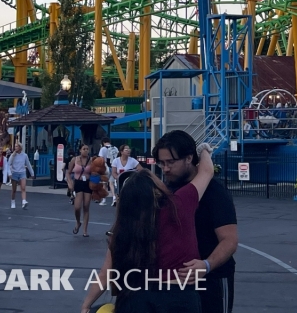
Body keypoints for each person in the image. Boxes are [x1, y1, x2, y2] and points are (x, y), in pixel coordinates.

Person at [80, 145, 215, 313]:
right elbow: (207, 171)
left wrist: (86, 305)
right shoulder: (180, 204)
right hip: (179, 296)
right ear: (157, 189)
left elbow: (105, 274)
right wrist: (203, 150)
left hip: (136, 297)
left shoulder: (124, 227)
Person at [156, 131, 237, 313]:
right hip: (177, 280)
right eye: (162, 163)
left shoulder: (215, 192)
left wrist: (206, 265)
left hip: (212, 278)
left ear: (188, 158)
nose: (166, 168)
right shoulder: (167, 188)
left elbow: (230, 240)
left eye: (171, 162)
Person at [67, 144, 94, 236]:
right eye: (84, 149)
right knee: (77, 207)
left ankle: (85, 231)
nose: (86, 150)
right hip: (78, 183)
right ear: (80, 150)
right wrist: (69, 182)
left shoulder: (91, 160)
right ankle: (78, 222)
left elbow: (96, 172)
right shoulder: (75, 159)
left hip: (87, 183)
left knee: (86, 206)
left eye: (87, 149)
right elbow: (68, 172)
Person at [7, 143, 35, 209]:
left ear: (20, 147)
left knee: (23, 188)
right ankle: (13, 201)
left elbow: (28, 164)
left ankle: (24, 201)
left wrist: (32, 173)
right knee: (14, 189)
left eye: (17, 146)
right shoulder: (13, 155)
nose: (15, 148)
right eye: (15, 146)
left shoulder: (24, 155)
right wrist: (9, 173)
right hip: (14, 173)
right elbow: (8, 164)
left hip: (22, 172)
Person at [98, 139, 119, 205]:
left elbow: (101, 159)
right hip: (115, 167)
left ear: (103, 142)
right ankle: (114, 198)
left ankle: (104, 200)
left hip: (106, 167)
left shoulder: (103, 149)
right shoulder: (115, 148)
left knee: (104, 184)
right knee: (112, 183)